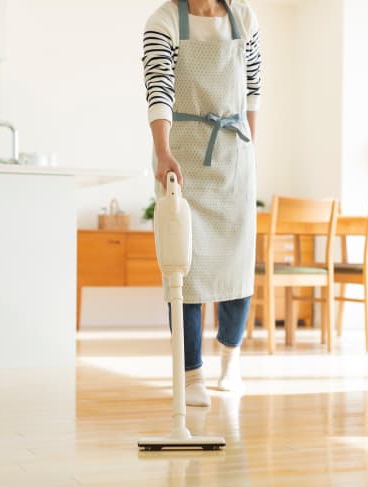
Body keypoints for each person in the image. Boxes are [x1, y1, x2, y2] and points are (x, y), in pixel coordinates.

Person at [142, 0, 262, 407]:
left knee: (237, 264)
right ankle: (191, 373)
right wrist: (162, 152)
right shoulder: (162, 21)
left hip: (234, 159)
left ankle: (231, 359)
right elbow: (158, 89)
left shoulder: (244, 19)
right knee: (183, 270)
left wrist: (247, 149)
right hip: (183, 160)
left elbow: (254, 89)